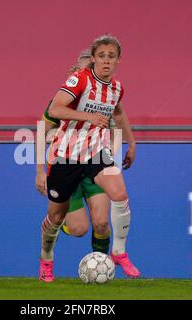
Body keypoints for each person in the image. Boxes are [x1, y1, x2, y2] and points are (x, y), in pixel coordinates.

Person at [39, 35, 140, 282]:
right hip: (66, 157)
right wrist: (88, 117)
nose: (106, 61)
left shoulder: (117, 88)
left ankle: (118, 252)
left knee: (119, 194)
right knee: (57, 218)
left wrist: (132, 141)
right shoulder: (79, 79)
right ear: (94, 59)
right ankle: (46, 258)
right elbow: (54, 110)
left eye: (111, 56)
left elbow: (118, 112)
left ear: (118, 60)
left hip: (96, 152)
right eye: (102, 56)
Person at [36, 50, 112, 255]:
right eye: (82, 71)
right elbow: (42, 131)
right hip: (66, 165)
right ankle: (54, 225)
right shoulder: (61, 102)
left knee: (103, 222)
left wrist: (120, 148)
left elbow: (116, 122)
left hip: (94, 165)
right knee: (79, 229)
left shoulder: (104, 99)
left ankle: (102, 265)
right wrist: (40, 170)